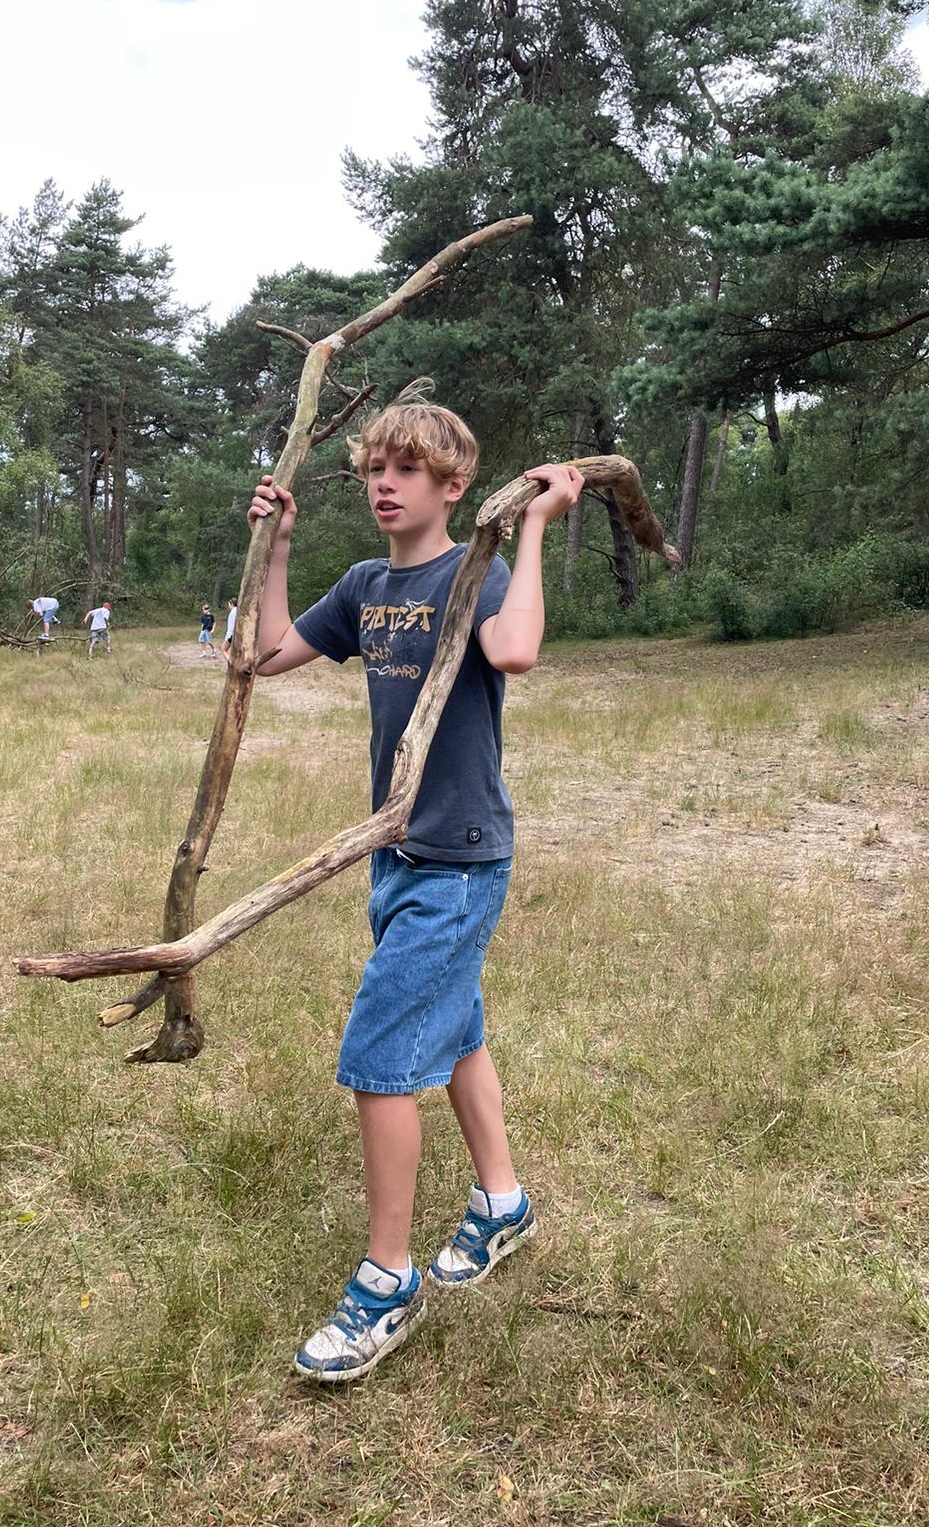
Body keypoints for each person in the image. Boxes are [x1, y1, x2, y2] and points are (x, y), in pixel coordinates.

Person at [247, 400, 583, 1383]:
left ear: (453, 487)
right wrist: (277, 550)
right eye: (374, 470)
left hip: (461, 857)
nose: (384, 484)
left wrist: (532, 527)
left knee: (381, 1056)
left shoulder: (471, 572)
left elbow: (514, 651)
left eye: (406, 470)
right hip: (396, 852)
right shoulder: (364, 585)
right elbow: (265, 655)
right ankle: (503, 1204)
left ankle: (386, 1280)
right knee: (457, 1029)